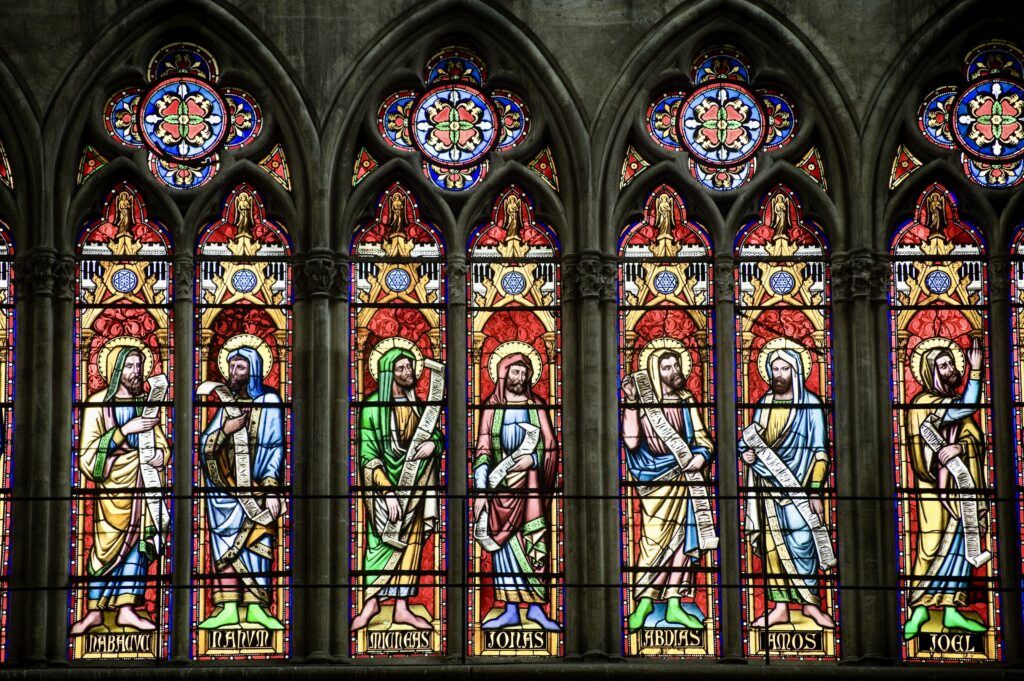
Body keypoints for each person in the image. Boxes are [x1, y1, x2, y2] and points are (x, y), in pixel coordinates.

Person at [71, 342, 168, 635]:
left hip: (142, 485)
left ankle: (127, 609)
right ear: (115, 369)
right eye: (129, 366)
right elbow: (87, 456)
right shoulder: (98, 403)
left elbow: (161, 442)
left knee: (138, 546)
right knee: (102, 548)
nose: (136, 371)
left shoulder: (144, 405)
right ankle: (94, 612)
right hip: (112, 492)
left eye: (139, 365)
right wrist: (125, 430)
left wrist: (161, 455)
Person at [738, 345, 835, 629]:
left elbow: (820, 452)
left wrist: (816, 489)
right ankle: (779, 607)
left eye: (784, 369)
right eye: (774, 369)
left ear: (797, 371)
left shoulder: (812, 406)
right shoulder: (764, 405)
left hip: (800, 490)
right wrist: (747, 454)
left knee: (804, 544)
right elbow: (752, 441)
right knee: (773, 549)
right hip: (768, 487)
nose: (778, 375)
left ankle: (810, 605)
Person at [351, 345, 443, 631]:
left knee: (412, 546)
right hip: (383, 491)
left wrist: (435, 444)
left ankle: (402, 608)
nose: (408, 373)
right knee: (379, 544)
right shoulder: (370, 409)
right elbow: (368, 456)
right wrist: (388, 491)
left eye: (410, 367)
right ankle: (371, 604)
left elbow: (433, 435)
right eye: (401, 368)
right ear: (389, 372)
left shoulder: (416, 405)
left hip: (414, 486)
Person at [621, 347, 714, 630]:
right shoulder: (644, 403)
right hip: (654, 482)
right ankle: (645, 602)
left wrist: (702, 455)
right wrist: (632, 403)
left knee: (683, 542)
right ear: (654, 372)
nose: (675, 372)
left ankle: (674, 602)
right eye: (666, 367)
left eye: (676, 365)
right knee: (653, 543)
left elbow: (702, 438)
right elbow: (632, 442)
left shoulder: (686, 400)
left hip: (687, 477)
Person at [903, 338, 987, 639]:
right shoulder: (923, 404)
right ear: (931, 373)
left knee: (961, 545)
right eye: (943, 365)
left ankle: (952, 610)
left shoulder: (952, 406)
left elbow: (975, 441)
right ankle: (919, 610)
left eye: (952, 363)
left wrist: (961, 448)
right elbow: (965, 406)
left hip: (961, 486)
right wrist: (976, 371)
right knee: (929, 544)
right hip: (932, 488)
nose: (951, 369)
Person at [198, 341, 285, 631]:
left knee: (258, 544)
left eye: (240, 367)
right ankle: (227, 606)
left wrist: (272, 490)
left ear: (255, 370)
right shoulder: (227, 407)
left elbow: (274, 448)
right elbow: (205, 446)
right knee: (225, 546)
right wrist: (225, 429)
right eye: (231, 366)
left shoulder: (270, 401)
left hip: (258, 488)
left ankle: (257, 606)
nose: (233, 373)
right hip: (225, 490)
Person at [472, 347, 560, 631]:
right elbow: (482, 450)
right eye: (515, 371)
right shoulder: (491, 408)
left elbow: (550, 445)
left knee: (533, 543)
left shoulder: (536, 406)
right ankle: (510, 609)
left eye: (524, 372)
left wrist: (532, 459)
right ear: (503, 374)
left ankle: (536, 608)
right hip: (500, 491)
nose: (520, 377)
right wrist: (482, 488)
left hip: (531, 487)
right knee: (505, 550)